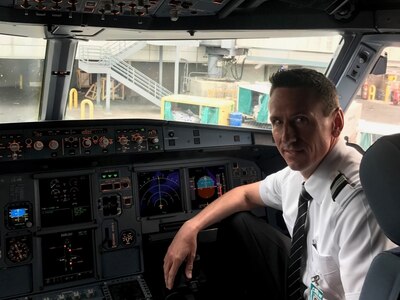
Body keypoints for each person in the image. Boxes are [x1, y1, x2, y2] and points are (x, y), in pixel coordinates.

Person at [163, 68, 389, 299]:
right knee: (238, 222)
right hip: (308, 282)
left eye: (301, 120)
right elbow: (244, 196)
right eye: (277, 122)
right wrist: (190, 226)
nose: (287, 137)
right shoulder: (299, 172)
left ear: (336, 122)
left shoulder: (356, 206)